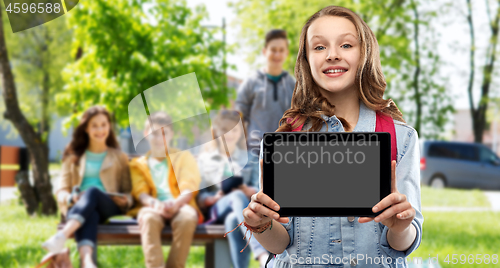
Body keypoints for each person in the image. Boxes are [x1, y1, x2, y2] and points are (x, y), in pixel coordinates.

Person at [237, 6, 424, 268]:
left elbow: (404, 242)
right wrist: (262, 225)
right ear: (307, 60)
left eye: (346, 45)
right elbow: (281, 243)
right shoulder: (287, 139)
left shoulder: (400, 138)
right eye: (319, 47)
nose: (333, 55)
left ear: (364, 54)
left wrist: (400, 227)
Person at [42, 106, 132, 268]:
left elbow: (129, 191)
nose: (100, 129)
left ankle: (62, 235)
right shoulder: (73, 156)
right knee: (90, 212)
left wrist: (125, 199)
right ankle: (87, 262)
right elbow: (61, 189)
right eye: (94, 125)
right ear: (86, 129)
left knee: (92, 192)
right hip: (80, 207)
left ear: (109, 126)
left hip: (108, 206)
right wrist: (72, 197)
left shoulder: (119, 157)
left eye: (104, 124)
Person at [127, 111, 202, 268]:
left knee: (187, 218)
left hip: (181, 204)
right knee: (148, 219)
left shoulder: (183, 157)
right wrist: (156, 205)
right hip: (151, 207)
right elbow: (140, 193)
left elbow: (189, 185)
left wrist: (176, 204)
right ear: (146, 134)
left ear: (171, 135)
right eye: (154, 133)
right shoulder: (137, 164)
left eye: (164, 133)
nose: (159, 138)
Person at [197, 110, 271, 268]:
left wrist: (249, 191)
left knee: (233, 220)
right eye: (224, 129)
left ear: (241, 132)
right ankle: (262, 255)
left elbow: (260, 191)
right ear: (216, 131)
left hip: (242, 212)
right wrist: (212, 198)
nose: (229, 134)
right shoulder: (205, 159)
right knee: (236, 196)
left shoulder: (250, 158)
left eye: (234, 129)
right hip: (216, 211)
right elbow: (199, 196)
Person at [235, 29, 296, 189]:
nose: (277, 54)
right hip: (254, 154)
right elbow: (238, 119)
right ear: (264, 51)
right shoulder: (250, 83)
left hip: (285, 156)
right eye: (273, 50)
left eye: (281, 50)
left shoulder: (294, 85)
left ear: (286, 53)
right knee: (254, 201)